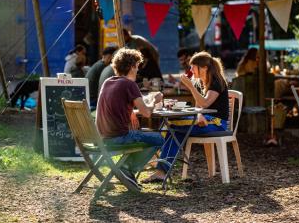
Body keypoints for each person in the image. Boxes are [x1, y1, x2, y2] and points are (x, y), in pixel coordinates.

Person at [145, 51, 229, 182]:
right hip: (205, 121)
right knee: (174, 130)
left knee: (172, 125)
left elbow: (205, 102)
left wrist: (190, 85)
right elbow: (200, 107)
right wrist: (199, 114)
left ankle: (158, 166)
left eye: (193, 67)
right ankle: (161, 171)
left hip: (217, 124)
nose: (191, 70)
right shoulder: (203, 82)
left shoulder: (216, 82)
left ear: (204, 68)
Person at [96, 48, 164, 189]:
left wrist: (132, 111)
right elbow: (146, 113)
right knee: (158, 138)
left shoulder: (108, 81)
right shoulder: (129, 84)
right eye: (137, 66)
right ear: (132, 66)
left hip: (102, 137)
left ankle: (125, 168)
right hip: (119, 137)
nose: (138, 70)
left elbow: (116, 106)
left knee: (142, 133)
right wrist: (154, 101)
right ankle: (127, 168)